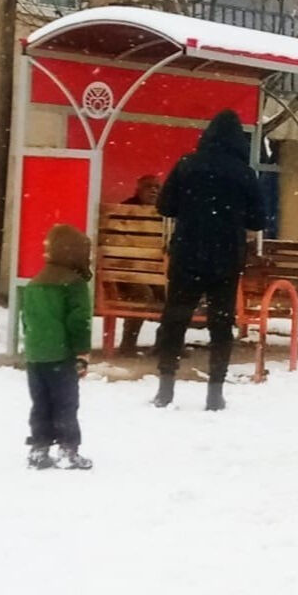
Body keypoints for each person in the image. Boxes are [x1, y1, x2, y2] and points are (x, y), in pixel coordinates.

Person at [154, 109, 265, 411]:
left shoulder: (188, 165)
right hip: (225, 257)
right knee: (221, 322)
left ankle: (166, 387)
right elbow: (258, 219)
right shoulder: (244, 174)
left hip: (187, 253)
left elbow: (164, 206)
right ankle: (215, 391)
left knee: (176, 317)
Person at [20, 224, 94, 470]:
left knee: (40, 403)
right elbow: (78, 321)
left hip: (35, 356)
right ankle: (68, 450)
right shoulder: (73, 284)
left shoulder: (34, 283)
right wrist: (82, 353)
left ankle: (39, 449)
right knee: (65, 404)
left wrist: (34, 345)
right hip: (61, 356)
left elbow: (26, 318)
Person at [117, 174, 163, 355]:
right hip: (126, 271)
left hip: (154, 271)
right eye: (149, 186)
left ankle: (166, 344)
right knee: (143, 294)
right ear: (138, 190)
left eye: (157, 188)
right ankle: (128, 344)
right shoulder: (125, 211)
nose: (153, 190)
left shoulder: (163, 213)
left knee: (175, 293)